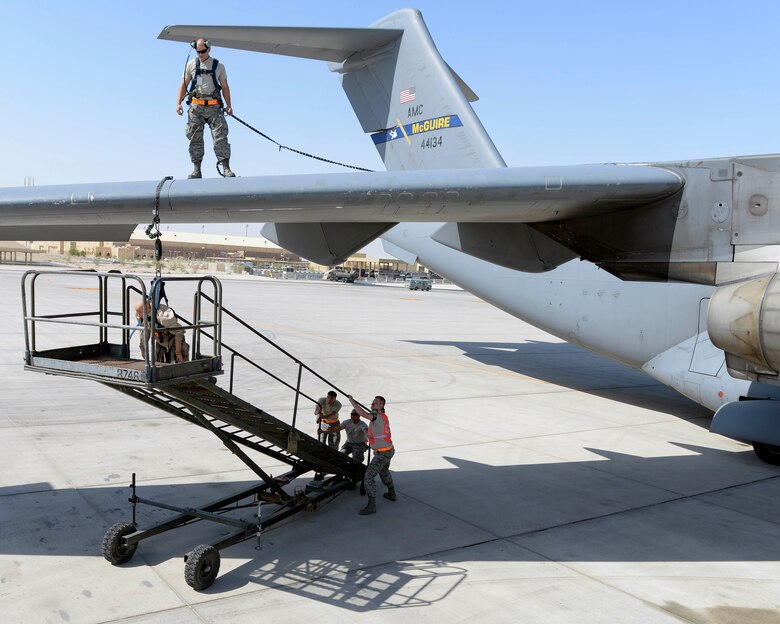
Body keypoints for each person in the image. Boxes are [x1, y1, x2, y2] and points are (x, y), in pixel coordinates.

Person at [176, 38, 236, 179]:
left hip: (214, 107)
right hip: (196, 107)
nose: (200, 54)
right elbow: (183, 83)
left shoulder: (219, 66)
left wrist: (229, 105)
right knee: (194, 138)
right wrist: (178, 103)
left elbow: (225, 87)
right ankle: (196, 170)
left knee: (220, 137)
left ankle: (226, 168)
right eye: (198, 51)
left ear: (209, 49)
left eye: (203, 51)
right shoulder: (191, 65)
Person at [348, 394, 395, 515]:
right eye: (373, 402)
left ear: (381, 405)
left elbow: (362, 413)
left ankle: (372, 505)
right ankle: (391, 493)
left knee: (368, 478)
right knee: (384, 471)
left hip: (382, 454)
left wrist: (352, 401)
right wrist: (366, 431)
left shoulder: (375, 415)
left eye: (375, 402)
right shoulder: (382, 416)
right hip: (388, 450)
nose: (372, 404)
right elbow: (378, 432)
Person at [134, 298, 189, 364]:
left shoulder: (164, 317)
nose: (138, 315)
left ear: (147, 309)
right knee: (158, 364)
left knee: (181, 362)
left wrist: (178, 352)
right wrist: (143, 349)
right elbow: (145, 330)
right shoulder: (140, 314)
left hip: (175, 340)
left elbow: (179, 332)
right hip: (161, 340)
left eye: (140, 313)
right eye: (137, 312)